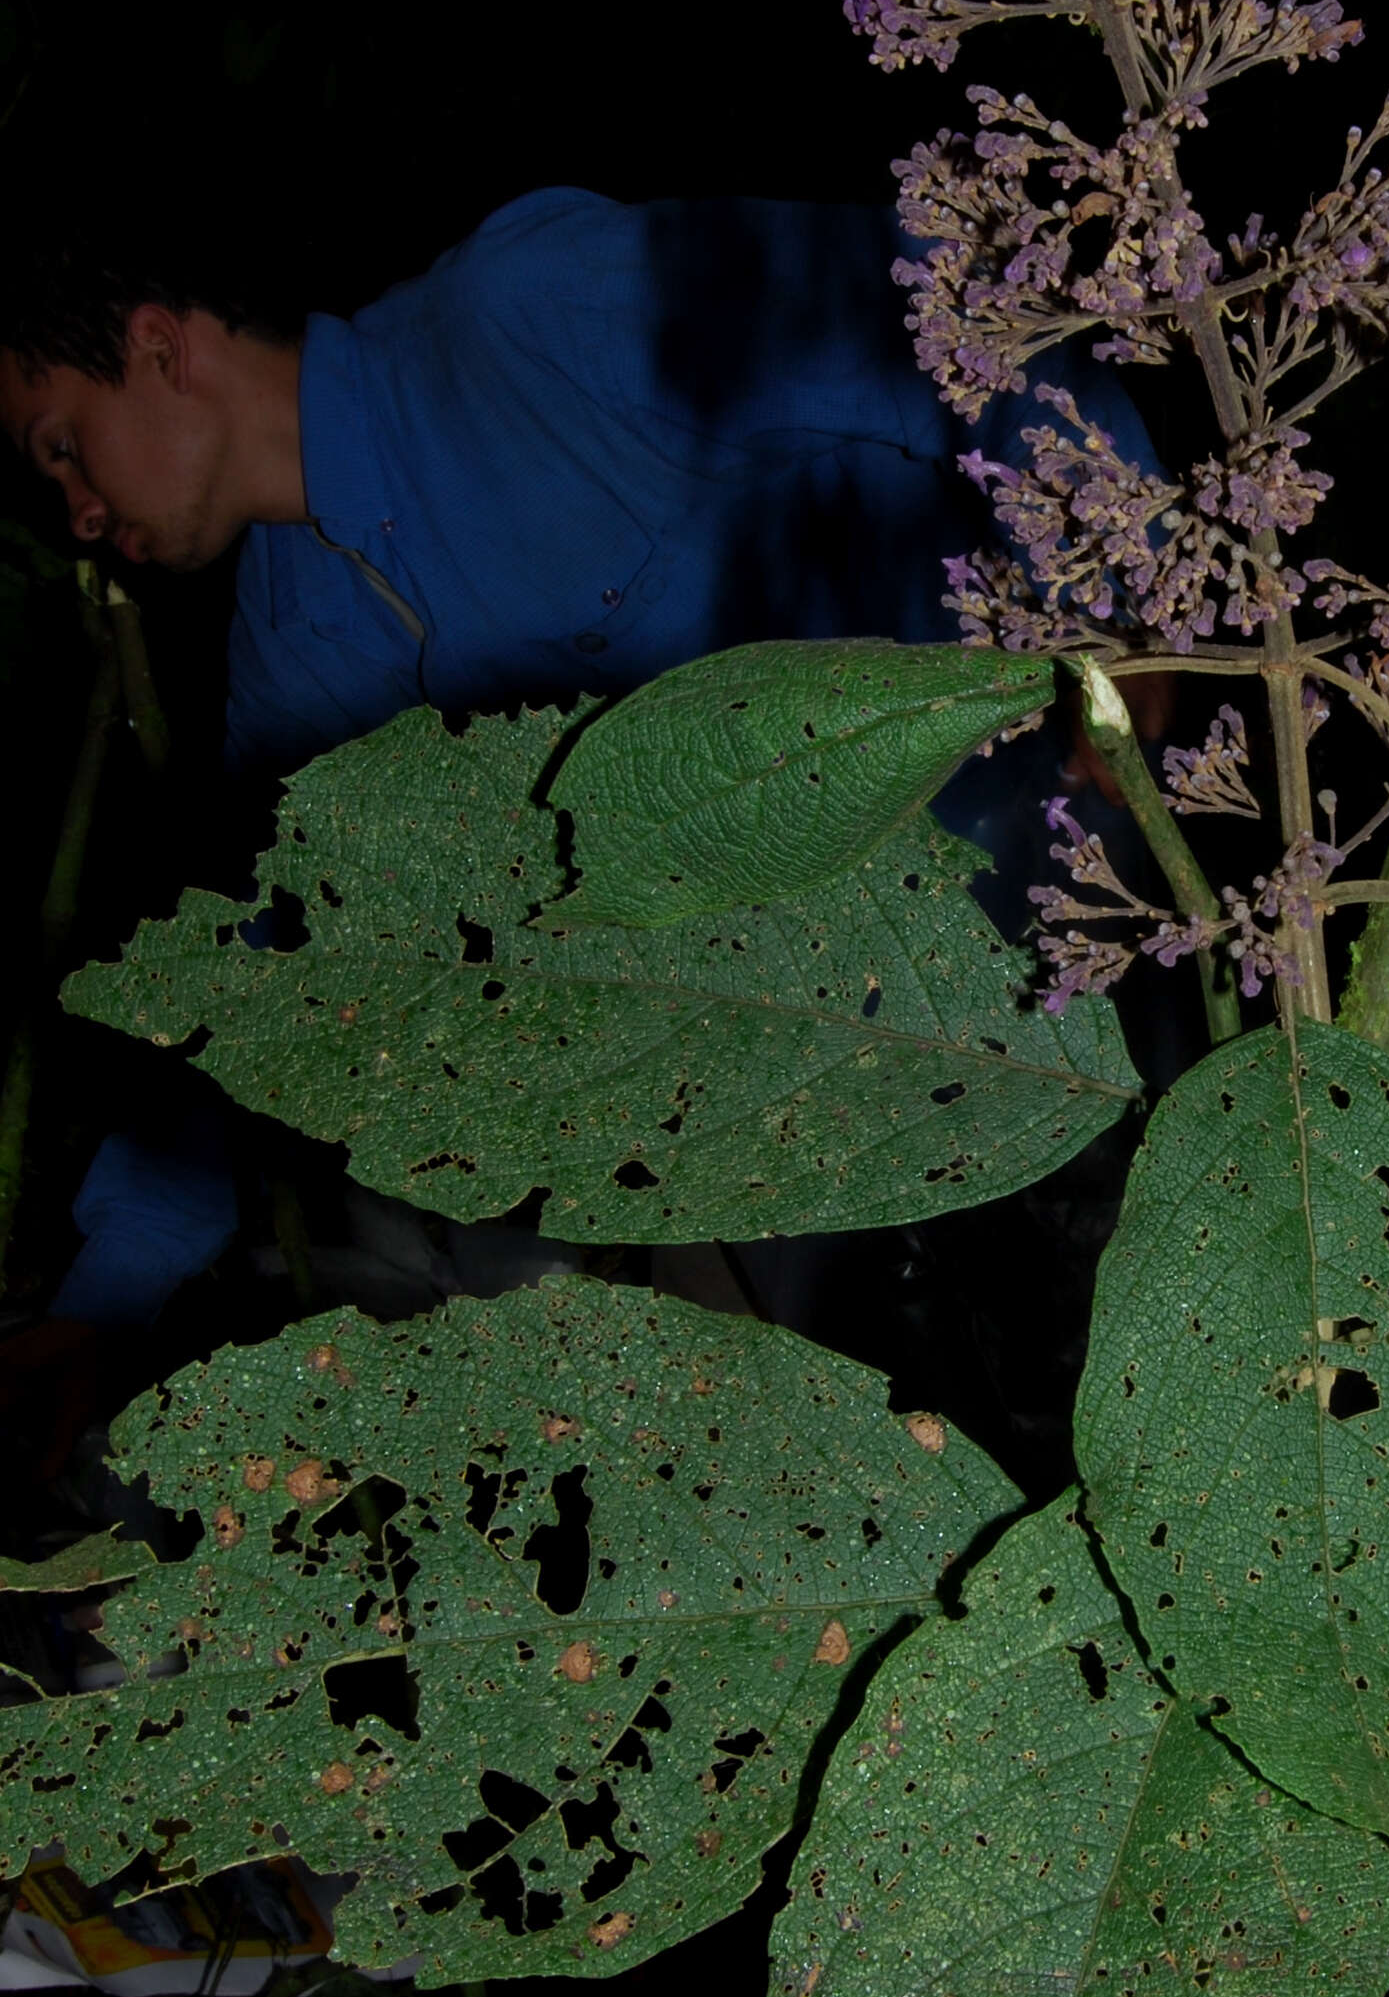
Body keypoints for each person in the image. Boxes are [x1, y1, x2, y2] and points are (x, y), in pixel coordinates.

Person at [0, 186, 1163, 1406]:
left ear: (157, 348)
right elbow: (258, 981)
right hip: (781, 1059)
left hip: (1020, 851)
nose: (76, 514)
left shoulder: (518, 319)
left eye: (62, 443)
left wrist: (1126, 593)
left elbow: (926, 294)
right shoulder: (291, 652)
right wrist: (102, 1306)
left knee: (1135, 1306)